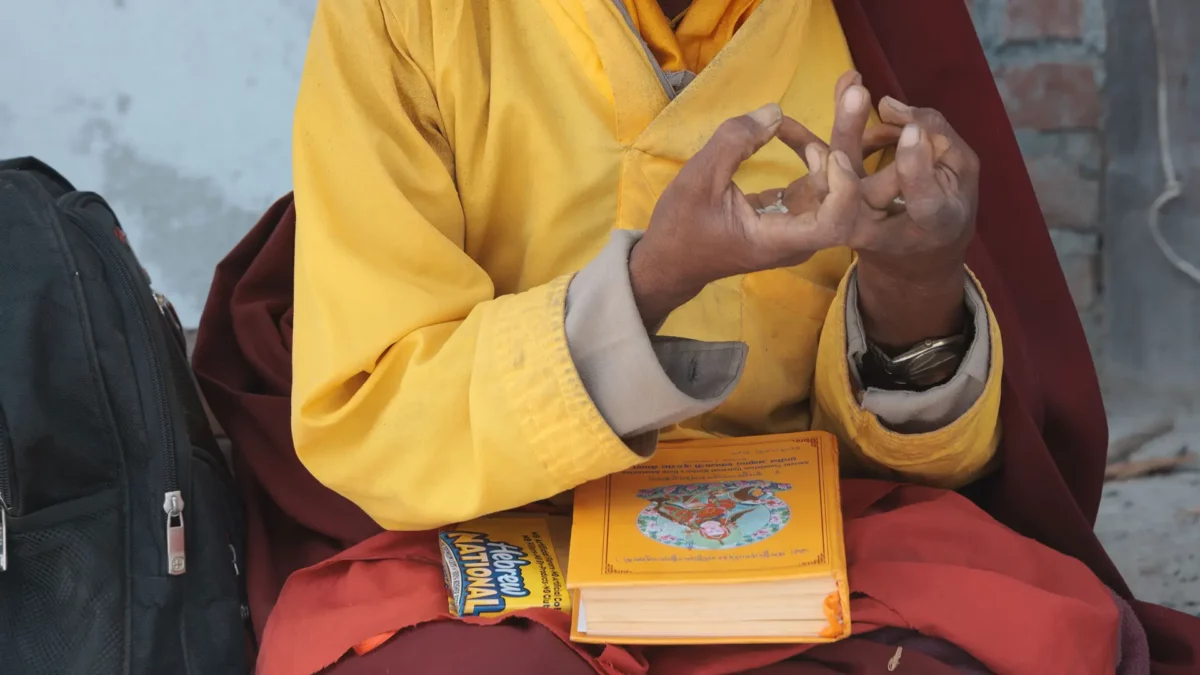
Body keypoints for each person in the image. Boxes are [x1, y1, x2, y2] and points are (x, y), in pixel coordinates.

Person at [191, 0, 1200, 673]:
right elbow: (372, 408)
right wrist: (648, 284)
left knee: (1023, 645)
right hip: (488, 524)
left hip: (807, 531)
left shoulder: (865, 25)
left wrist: (915, 279)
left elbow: (935, 459)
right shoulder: (406, 17)